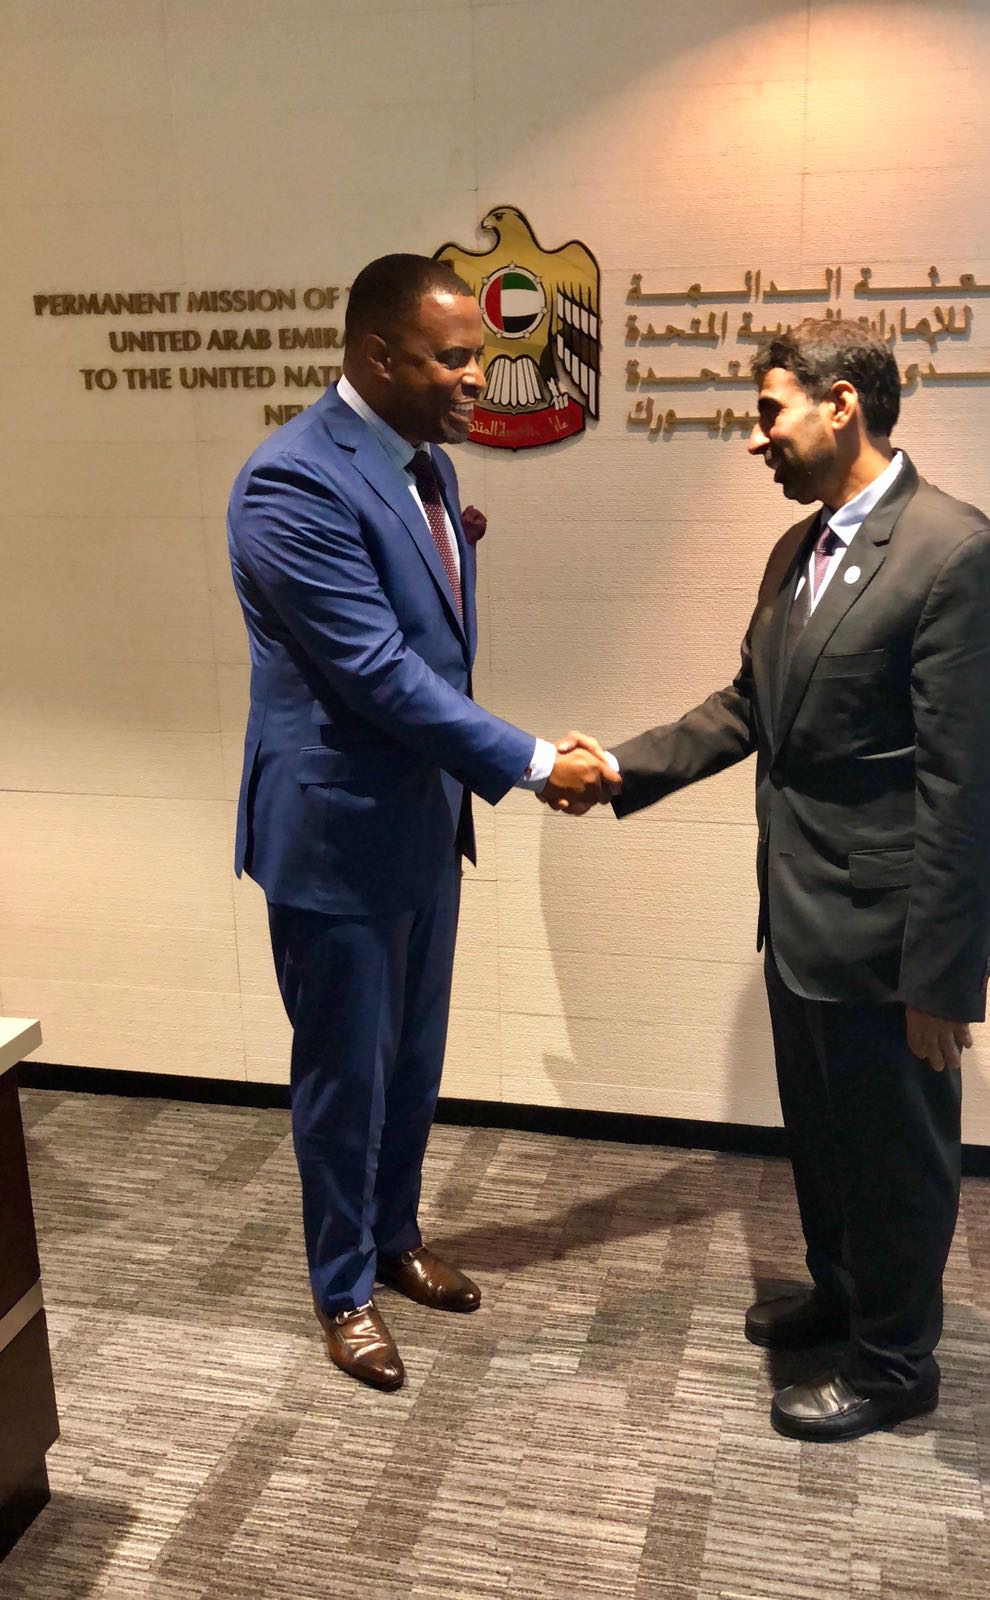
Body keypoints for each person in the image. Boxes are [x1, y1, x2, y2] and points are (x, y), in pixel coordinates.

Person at [561, 320, 990, 1441]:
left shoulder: (958, 554)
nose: (756, 436)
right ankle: (843, 1297)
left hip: (894, 937)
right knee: (823, 1139)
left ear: (842, 406)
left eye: (770, 410)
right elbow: (747, 708)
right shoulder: (797, 550)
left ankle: (895, 1364)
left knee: (897, 1156)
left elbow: (972, 792)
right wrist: (622, 767)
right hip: (802, 918)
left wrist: (941, 981)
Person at [227, 254, 618, 1391]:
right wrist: (535, 763)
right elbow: (378, 671)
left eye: (478, 356)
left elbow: (432, 653)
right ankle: (342, 1286)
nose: (476, 378)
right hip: (337, 836)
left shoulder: (428, 467)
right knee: (343, 1077)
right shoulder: (291, 482)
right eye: (453, 358)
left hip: (425, 823)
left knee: (411, 1062)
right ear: (377, 356)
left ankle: (393, 1235)